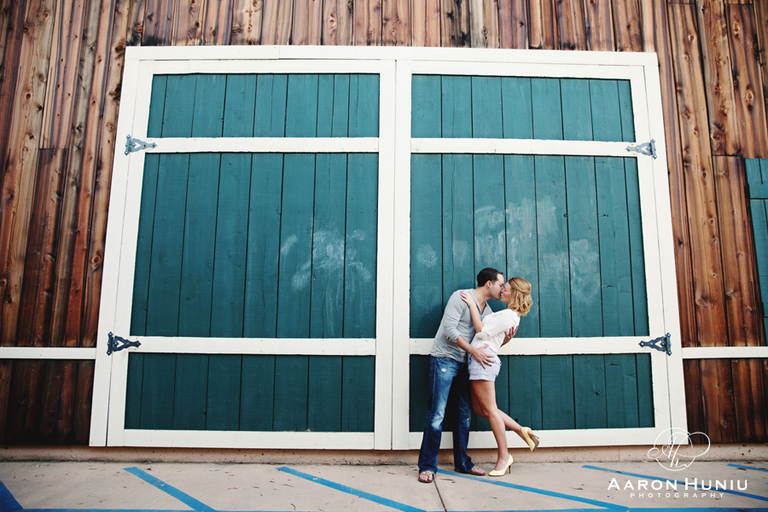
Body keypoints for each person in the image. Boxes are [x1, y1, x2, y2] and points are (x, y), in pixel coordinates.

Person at [417, 267, 515, 484]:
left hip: (466, 365)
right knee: (437, 414)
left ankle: (463, 463)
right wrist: (473, 352)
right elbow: (449, 331)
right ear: (489, 284)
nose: (502, 289)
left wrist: (506, 339)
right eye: (501, 284)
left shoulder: (488, 312)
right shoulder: (460, 297)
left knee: (464, 414)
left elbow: (486, 339)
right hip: (444, 359)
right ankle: (427, 466)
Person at [461, 277, 540, 477]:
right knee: (480, 409)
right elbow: (494, 339)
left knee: (489, 409)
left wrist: (471, 304)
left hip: (483, 361)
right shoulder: (508, 316)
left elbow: (481, 330)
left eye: (506, 289)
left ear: (514, 294)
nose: (502, 290)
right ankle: (522, 430)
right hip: (481, 360)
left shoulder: (507, 315)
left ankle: (504, 457)